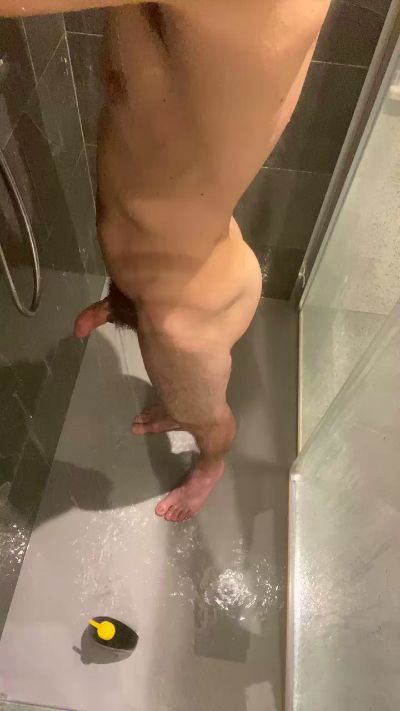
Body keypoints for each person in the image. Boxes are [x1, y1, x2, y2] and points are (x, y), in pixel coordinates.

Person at [1, 0, 330, 521]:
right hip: (178, 269)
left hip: (187, 314)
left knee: (203, 413)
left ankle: (209, 464)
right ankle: (138, 323)